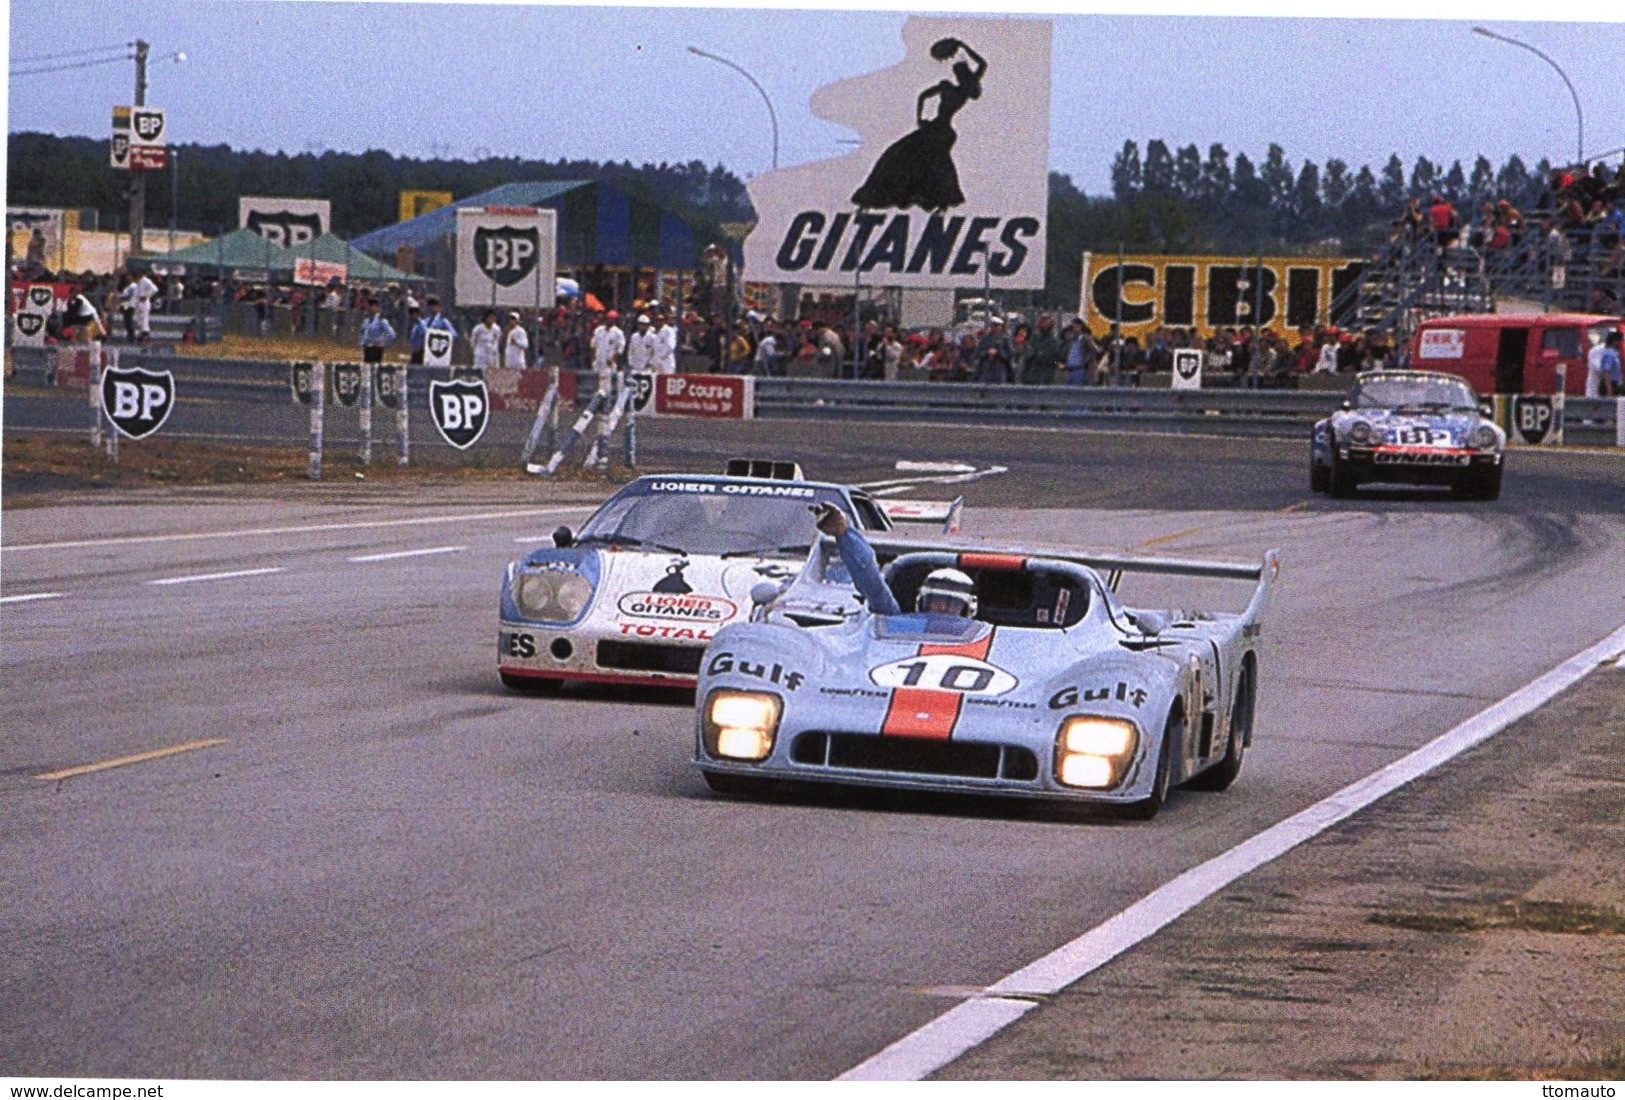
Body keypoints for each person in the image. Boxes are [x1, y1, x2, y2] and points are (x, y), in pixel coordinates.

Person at [812, 502, 976, 620]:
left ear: (968, 610)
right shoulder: (899, 623)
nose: (942, 610)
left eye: (951, 605)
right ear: (921, 601)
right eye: (936, 602)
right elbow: (871, 583)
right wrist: (844, 534)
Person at [411, 297, 458, 372]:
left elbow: (454, 335)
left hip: (435, 352)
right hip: (420, 352)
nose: (432, 308)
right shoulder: (424, 322)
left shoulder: (443, 322)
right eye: (430, 305)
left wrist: (439, 335)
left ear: (440, 307)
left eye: (434, 305)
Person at [590, 310, 626, 393]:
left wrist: (613, 359)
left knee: (608, 387)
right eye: (608, 318)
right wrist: (593, 360)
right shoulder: (598, 330)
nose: (609, 320)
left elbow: (620, 349)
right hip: (598, 361)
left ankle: (608, 403)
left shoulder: (618, 333)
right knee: (597, 386)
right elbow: (593, 345)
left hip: (609, 363)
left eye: (611, 319)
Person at [357, 298, 395, 365]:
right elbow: (361, 332)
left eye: (372, 305)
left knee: (375, 370)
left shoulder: (381, 320)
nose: (369, 308)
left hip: (376, 349)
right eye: (369, 305)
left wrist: (382, 341)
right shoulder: (366, 320)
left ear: (377, 307)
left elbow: (391, 334)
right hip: (367, 349)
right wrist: (362, 342)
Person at [1585, 330, 1622, 398]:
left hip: (1612, 383)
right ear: (1614, 341)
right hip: (1607, 384)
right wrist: (1609, 390)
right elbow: (1605, 371)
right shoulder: (1609, 353)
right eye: (1619, 341)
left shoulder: (1614, 353)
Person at [470, 309, 502, 375]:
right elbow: (473, 341)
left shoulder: (496, 329)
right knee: (480, 373)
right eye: (490, 317)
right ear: (486, 318)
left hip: (491, 355)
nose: (492, 319)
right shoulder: (478, 329)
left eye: (493, 317)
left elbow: (497, 341)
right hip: (480, 355)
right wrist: (476, 351)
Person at [653, 310, 680, 374]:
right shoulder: (656, 332)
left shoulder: (669, 330)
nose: (659, 322)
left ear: (665, 321)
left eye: (661, 320)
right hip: (658, 363)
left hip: (667, 362)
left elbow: (671, 346)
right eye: (657, 320)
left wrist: (662, 356)